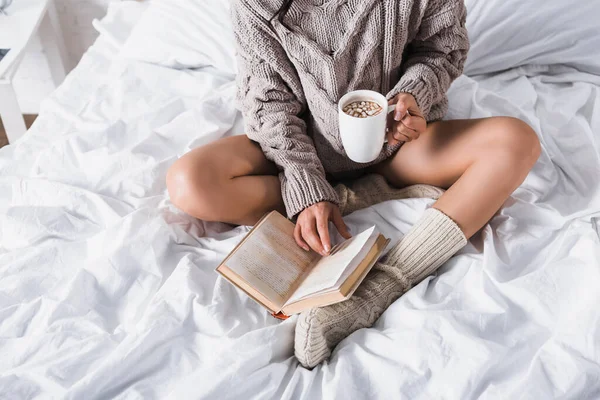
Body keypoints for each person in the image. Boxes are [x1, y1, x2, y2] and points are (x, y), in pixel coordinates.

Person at [166, 0, 541, 368]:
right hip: (299, 146)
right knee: (189, 183)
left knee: (516, 142)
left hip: (396, 146)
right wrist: (306, 184)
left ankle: (380, 287)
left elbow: (441, 49)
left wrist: (413, 96)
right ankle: (348, 196)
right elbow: (269, 101)